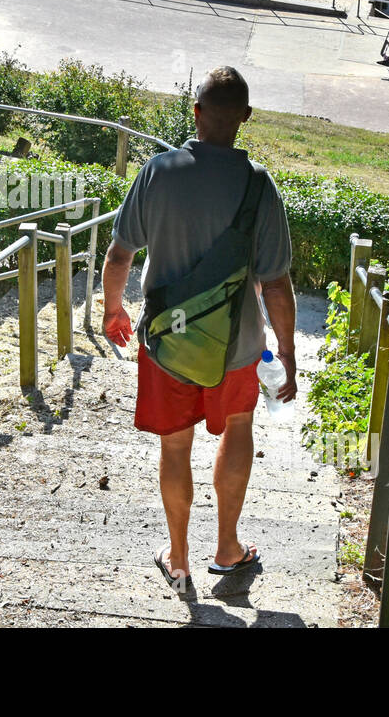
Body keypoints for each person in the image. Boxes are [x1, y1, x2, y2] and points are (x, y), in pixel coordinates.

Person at [101, 65, 297, 591]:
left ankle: (180, 557)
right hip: (237, 348)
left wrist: (112, 310)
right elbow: (276, 285)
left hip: (167, 345)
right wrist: (288, 353)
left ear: (196, 113)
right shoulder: (260, 188)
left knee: (174, 446)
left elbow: (120, 255)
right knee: (236, 430)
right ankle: (228, 549)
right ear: (245, 119)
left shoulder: (159, 172)